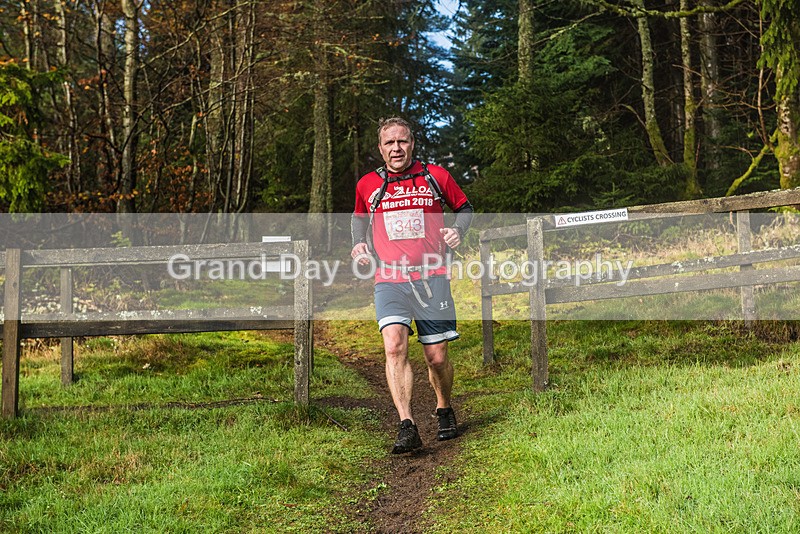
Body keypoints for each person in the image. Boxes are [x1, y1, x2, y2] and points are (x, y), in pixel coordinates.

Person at [350, 117, 473, 453]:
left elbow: (464, 208)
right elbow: (359, 219)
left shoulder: (435, 176)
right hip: (389, 278)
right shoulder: (368, 185)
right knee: (393, 346)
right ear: (380, 148)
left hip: (432, 277)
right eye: (389, 143)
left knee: (436, 357)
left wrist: (458, 231)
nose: (396, 148)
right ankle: (407, 425)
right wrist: (359, 243)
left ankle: (444, 407)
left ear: (412, 144)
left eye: (402, 141)